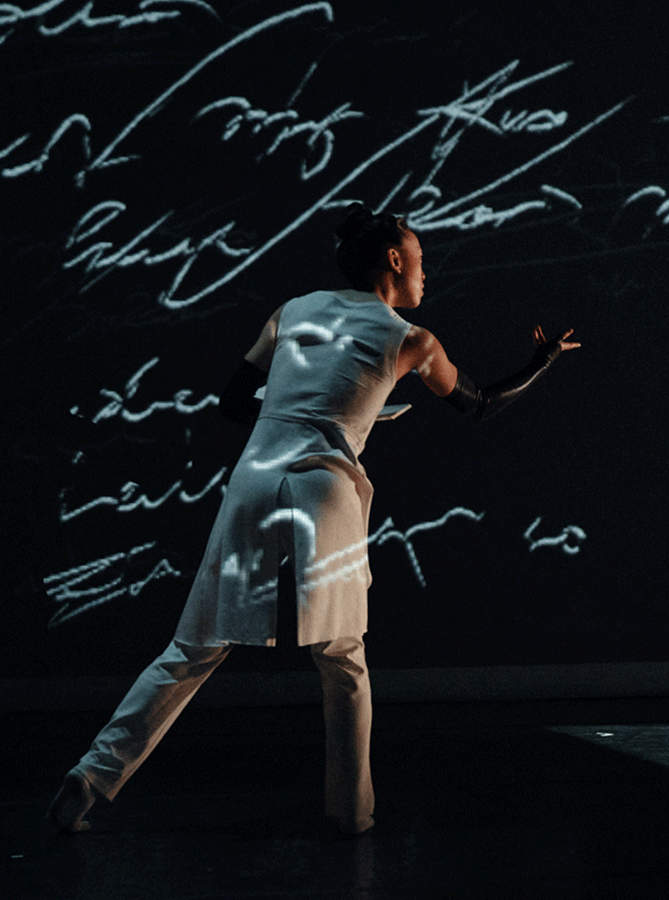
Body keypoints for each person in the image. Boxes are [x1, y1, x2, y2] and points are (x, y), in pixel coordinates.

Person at [47, 203, 580, 834]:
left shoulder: (293, 310)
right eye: (419, 257)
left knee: (194, 647)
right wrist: (542, 363)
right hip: (321, 494)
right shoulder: (413, 340)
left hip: (252, 482)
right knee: (343, 658)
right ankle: (351, 813)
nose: (424, 272)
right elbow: (480, 404)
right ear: (393, 259)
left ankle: (89, 778)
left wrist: (300, 423)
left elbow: (231, 400)